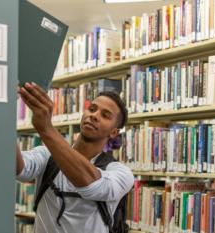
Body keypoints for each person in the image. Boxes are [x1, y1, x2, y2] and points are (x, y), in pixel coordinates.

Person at [16, 82, 134, 233]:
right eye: (92, 109)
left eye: (105, 115)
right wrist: (4, 110)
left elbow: (92, 186)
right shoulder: (47, 156)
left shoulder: (121, 173)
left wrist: (46, 129)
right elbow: (18, 169)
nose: (94, 115)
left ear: (113, 133)